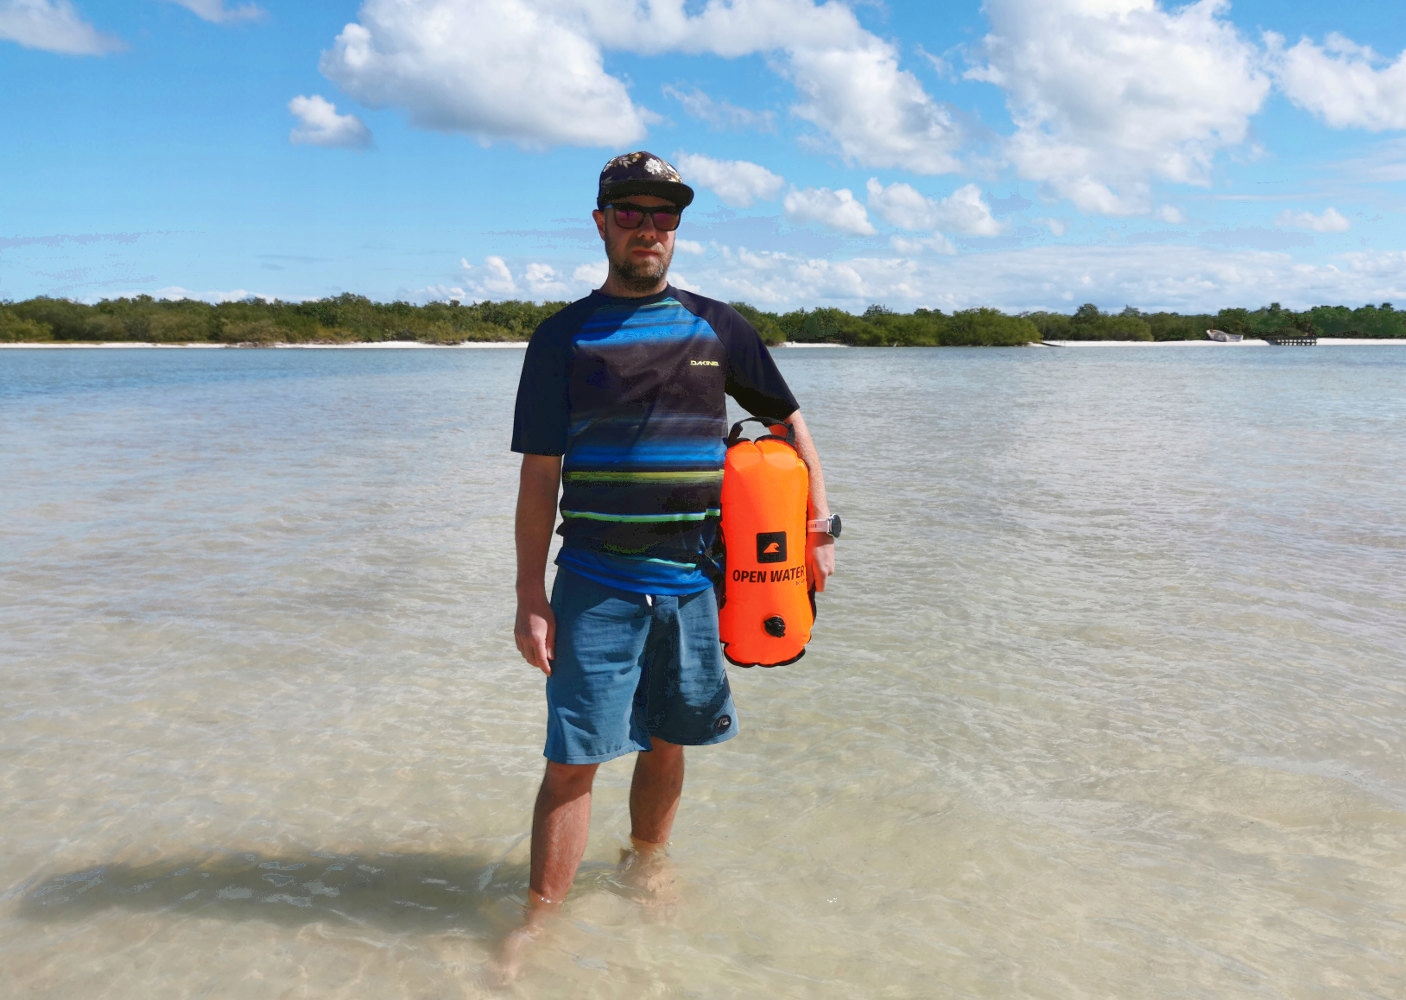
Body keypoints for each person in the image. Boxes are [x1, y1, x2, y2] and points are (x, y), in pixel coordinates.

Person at [499, 151, 836, 976]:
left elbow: (788, 422)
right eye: (630, 212)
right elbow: (540, 472)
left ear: (677, 229)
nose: (647, 228)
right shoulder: (561, 337)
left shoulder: (718, 326)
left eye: (663, 215)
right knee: (572, 757)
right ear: (601, 222)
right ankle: (540, 920)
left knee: (667, 740)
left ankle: (645, 863)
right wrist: (528, 596)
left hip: (694, 579)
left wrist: (814, 528)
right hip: (597, 579)